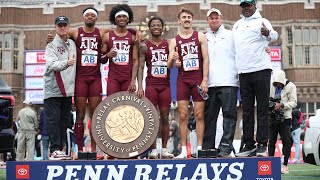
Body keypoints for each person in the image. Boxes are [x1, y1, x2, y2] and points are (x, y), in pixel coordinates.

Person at [233, 0, 279, 157]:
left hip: (261, 70)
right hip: (243, 72)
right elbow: (234, 48)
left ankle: (262, 144)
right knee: (246, 110)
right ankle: (248, 144)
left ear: (254, 6)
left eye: (249, 6)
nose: (246, 9)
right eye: (243, 6)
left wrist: (267, 33)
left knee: (262, 108)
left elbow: (274, 35)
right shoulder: (237, 25)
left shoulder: (262, 21)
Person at [167, 8, 209, 158]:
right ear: (179, 20)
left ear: (192, 20)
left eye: (189, 17)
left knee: (199, 115)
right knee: (183, 115)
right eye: (184, 17)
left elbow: (206, 59)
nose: (186, 19)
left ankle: (198, 148)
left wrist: (205, 80)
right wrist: (173, 58)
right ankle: (184, 150)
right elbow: (168, 66)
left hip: (197, 78)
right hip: (182, 80)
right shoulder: (174, 41)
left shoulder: (200, 37)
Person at [202, 8, 239, 157]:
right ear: (207, 21)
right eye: (211, 18)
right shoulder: (203, 38)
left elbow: (243, 50)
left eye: (216, 18)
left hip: (228, 81)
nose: (214, 20)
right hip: (210, 83)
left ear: (221, 19)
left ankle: (225, 147)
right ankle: (208, 147)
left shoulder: (231, 35)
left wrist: (264, 49)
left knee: (229, 115)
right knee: (209, 116)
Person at [137, 16, 174, 159]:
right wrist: (140, 86)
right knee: (151, 118)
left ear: (163, 27)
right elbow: (140, 67)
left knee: (165, 118)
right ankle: (153, 150)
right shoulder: (144, 46)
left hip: (165, 85)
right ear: (149, 28)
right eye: (153, 25)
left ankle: (164, 149)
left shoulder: (169, 44)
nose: (156, 27)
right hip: (152, 85)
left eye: (159, 25)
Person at [44, 15, 76, 160]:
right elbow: (51, 65)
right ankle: (54, 150)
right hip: (53, 90)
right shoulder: (51, 45)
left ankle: (60, 149)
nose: (62, 28)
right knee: (53, 121)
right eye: (59, 25)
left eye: (65, 25)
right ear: (56, 28)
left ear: (69, 27)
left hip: (68, 91)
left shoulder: (72, 44)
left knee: (64, 121)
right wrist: (66, 63)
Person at [101, 4, 139, 96]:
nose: (121, 18)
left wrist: (133, 81)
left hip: (128, 78)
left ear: (128, 19)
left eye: (124, 16)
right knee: (113, 106)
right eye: (119, 16)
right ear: (114, 19)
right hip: (113, 78)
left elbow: (135, 60)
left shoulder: (133, 37)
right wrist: (107, 55)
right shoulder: (107, 36)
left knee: (127, 106)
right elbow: (101, 59)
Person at [268, 69, 297, 174]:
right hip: (272, 117)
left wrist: (282, 105)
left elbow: (294, 102)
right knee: (271, 141)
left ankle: (285, 165)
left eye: (279, 83)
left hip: (285, 118)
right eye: (275, 83)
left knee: (286, 142)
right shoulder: (271, 85)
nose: (277, 85)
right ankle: (269, 164)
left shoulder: (291, 86)